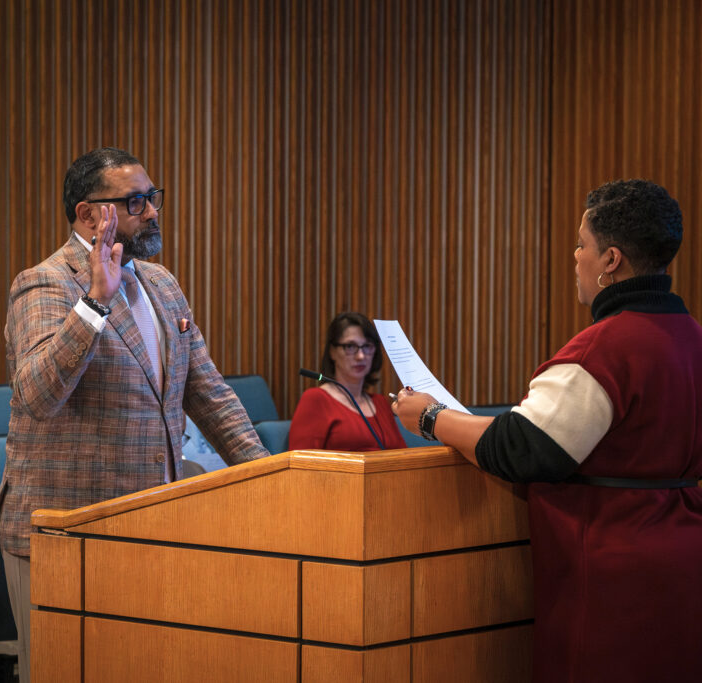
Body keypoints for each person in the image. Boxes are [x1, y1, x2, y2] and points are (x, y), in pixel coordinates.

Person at [392, 179, 702, 682]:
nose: (575, 256)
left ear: (611, 261)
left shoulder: (604, 350)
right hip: (683, 565)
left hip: (613, 575)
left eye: (582, 244)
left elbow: (523, 448)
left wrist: (430, 418)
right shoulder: (692, 337)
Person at [0, 147, 269, 681]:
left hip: (150, 524)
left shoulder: (161, 283)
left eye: (152, 197)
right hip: (66, 529)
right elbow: (37, 395)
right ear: (88, 214)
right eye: (135, 201)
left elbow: (209, 394)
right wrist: (96, 300)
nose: (152, 211)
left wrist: (269, 475)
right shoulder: (45, 282)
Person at [288, 311, 406, 451]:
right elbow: (300, 462)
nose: (360, 356)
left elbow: (403, 456)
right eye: (350, 346)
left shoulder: (381, 403)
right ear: (332, 351)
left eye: (367, 346)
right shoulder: (316, 399)